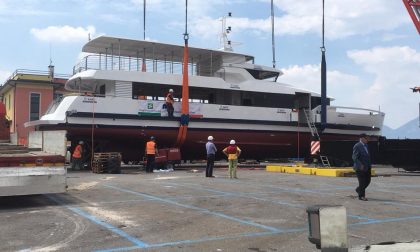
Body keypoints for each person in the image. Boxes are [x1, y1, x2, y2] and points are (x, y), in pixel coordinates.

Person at [352, 133, 372, 201]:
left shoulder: (366, 145)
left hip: (367, 167)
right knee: (362, 182)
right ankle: (361, 196)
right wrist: (360, 165)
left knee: (368, 181)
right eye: (367, 138)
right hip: (360, 168)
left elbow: (367, 156)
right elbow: (354, 157)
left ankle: (358, 189)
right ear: (362, 138)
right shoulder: (357, 146)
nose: (368, 140)